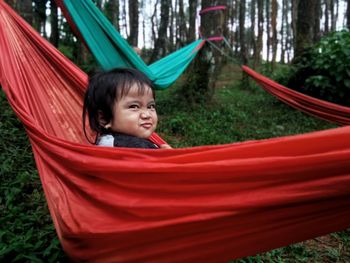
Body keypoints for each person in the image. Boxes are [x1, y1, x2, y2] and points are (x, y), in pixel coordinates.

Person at [82, 68, 171, 149]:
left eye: (150, 106)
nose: (146, 115)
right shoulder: (134, 147)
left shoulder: (108, 142)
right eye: (134, 106)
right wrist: (167, 158)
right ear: (104, 118)